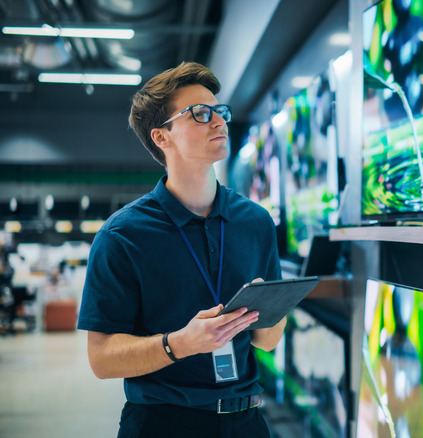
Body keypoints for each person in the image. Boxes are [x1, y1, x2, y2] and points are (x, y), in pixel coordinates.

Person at [77, 62, 284, 438]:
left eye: (220, 112)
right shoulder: (122, 235)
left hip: (247, 421)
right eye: (200, 114)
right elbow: (101, 358)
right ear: (162, 137)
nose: (219, 122)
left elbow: (268, 340)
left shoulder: (255, 222)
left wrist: (268, 308)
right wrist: (180, 344)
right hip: (162, 422)